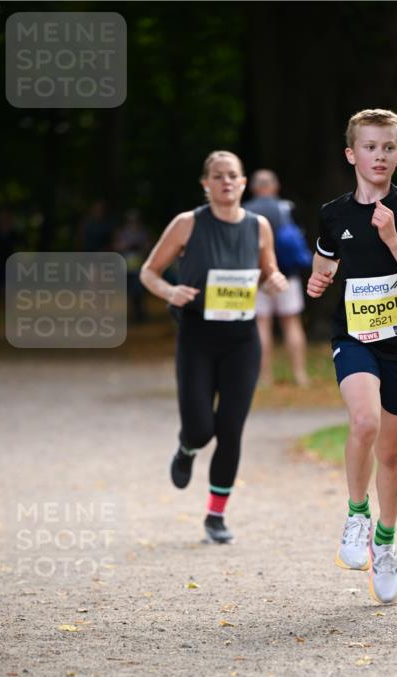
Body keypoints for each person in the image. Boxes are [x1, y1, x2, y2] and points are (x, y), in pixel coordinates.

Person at [307, 108, 397, 605]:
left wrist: (391, 237)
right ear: (352, 154)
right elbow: (326, 263)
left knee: (391, 451)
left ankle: (385, 544)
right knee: (364, 424)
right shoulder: (334, 213)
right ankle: (357, 513)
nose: (378, 156)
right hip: (355, 337)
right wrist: (318, 278)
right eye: (369, 147)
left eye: (388, 148)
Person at [140, 151, 287, 543]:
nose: (226, 182)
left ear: (243, 183)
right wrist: (171, 290)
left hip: (242, 340)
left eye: (233, 176)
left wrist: (275, 280)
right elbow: (148, 271)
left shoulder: (259, 226)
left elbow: (269, 269)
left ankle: (215, 517)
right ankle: (187, 448)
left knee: (231, 429)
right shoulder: (188, 224)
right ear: (205, 183)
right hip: (197, 336)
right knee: (201, 428)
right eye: (218, 176)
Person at [244, 169, 311, 386]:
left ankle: (265, 378)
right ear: (275, 186)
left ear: (253, 187)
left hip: (257, 278)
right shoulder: (286, 208)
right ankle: (300, 375)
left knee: (262, 325)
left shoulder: (245, 211)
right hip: (286, 275)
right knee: (291, 323)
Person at [114, 209, 151, 323]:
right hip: (127, 267)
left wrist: (140, 247)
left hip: (139, 267)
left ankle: (140, 313)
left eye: (135, 220)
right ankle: (132, 314)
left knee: (139, 292)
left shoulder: (142, 233)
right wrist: (128, 246)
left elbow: (148, 247)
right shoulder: (123, 233)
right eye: (131, 221)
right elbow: (118, 247)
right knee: (129, 291)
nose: (133, 223)